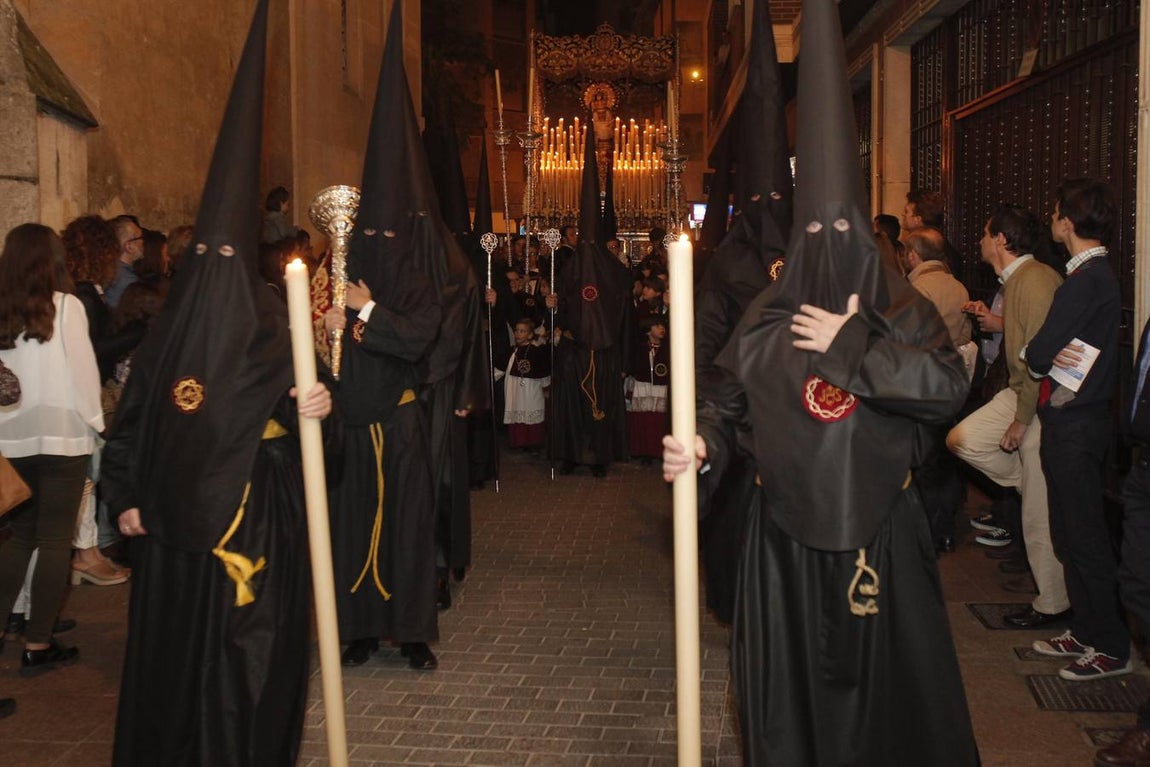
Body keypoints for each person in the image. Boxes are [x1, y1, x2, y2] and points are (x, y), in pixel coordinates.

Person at [663, 0, 977, 761]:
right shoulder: (770, 316)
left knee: (885, 708)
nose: (828, 250)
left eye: (843, 233)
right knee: (792, 701)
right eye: (815, 235)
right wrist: (701, 443)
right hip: (785, 546)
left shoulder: (897, 306)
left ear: (866, 237)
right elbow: (729, 400)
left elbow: (944, 389)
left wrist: (853, 347)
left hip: (880, 536)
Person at [101, 2, 331, 763]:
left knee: (247, 662)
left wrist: (313, 402)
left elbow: (305, 390)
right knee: (177, 664)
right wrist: (125, 497)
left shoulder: (270, 317)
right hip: (172, 526)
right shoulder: (168, 326)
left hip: (256, 519)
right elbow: (132, 421)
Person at [325, 0, 442, 672]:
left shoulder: (411, 274)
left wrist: (368, 315)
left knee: (406, 525)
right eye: (371, 230)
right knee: (351, 524)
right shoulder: (341, 263)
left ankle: (414, 631)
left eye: (386, 231)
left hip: (399, 424)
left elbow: (419, 337)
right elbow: (315, 343)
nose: (378, 240)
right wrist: (330, 323)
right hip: (353, 420)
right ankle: (360, 629)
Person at [947, 205, 1069, 628]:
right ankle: (1033, 481)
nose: (979, 240)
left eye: (984, 233)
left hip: (1037, 400)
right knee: (964, 439)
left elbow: (1040, 358)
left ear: (1000, 239)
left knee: (1037, 516)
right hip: (1020, 393)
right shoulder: (1018, 281)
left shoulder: (1033, 281)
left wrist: (1022, 417)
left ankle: (1053, 603)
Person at [1025, 178, 1128, 680]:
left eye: (1055, 212)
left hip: (1076, 423)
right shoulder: (1091, 277)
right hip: (1074, 419)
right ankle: (1086, 630)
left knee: (1083, 535)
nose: (1052, 219)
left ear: (1066, 221)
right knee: (1069, 530)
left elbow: (1041, 352)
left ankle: (1110, 645)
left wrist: (1036, 353)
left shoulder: (1087, 280)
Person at [0, 223, 102, 675]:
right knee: (56, 539)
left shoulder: (2, 308)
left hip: (12, 435)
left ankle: (6, 630)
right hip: (62, 436)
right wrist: (98, 425)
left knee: (20, 537)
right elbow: (84, 373)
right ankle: (38, 643)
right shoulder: (68, 307)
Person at [500, 317, 550, 450]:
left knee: (531, 410)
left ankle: (533, 444)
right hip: (514, 388)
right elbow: (500, 368)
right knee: (516, 410)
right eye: (516, 330)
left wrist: (546, 387)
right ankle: (518, 442)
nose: (518, 333)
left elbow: (543, 370)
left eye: (522, 331)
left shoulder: (536, 351)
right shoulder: (512, 351)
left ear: (530, 334)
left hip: (532, 388)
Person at [625, 314, 668, 460]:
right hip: (642, 385)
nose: (662, 329)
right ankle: (644, 451)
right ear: (648, 330)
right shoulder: (640, 348)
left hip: (661, 387)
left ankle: (660, 450)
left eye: (662, 326)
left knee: (659, 419)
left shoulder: (668, 348)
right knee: (642, 418)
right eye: (657, 326)